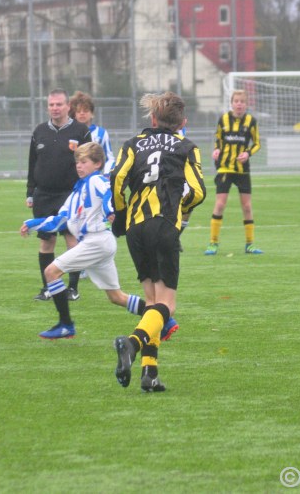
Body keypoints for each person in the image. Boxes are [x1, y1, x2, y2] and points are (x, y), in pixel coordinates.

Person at [110, 91, 206, 392]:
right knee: (168, 305)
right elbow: (199, 191)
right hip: (164, 225)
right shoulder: (186, 146)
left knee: (152, 304)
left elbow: (117, 180)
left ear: (152, 119)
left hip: (137, 229)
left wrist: (123, 215)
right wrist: (183, 210)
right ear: (183, 123)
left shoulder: (132, 144)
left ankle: (149, 373)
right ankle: (132, 343)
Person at [21, 143, 147, 339]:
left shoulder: (96, 180)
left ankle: (66, 324)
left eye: (84, 162)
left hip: (96, 241)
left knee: (51, 272)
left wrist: (110, 210)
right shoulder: (76, 192)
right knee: (116, 297)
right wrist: (32, 223)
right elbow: (59, 220)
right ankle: (163, 318)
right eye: (77, 162)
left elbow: (109, 194)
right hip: (98, 244)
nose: (79, 166)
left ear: (97, 164)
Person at [27, 88, 91, 303]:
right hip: (43, 195)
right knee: (47, 243)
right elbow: (32, 164)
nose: (55, 108)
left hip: (70, 195)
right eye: (51, 105)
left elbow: (89, 164)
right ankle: (48, 288)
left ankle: (72, 288)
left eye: (59, 104)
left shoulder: (81, 131)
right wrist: (30, 193)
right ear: (48, 107)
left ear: (67, 107)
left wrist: (86, 191)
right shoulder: (39, 131)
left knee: (72, 242)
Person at [204, 89, 264, 256]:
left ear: (246, 104)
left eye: (242, 101)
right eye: (236, 101)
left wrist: (248, 153)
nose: (239, 104)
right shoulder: (223, 119)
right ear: (231, 103)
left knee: (246, 206)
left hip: (242, 170)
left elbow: (257, 143)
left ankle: (250, 244)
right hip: (224, 167)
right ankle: (213, 243)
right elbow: (218, 140)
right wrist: (216, 150)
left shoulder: (251, 121)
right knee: (220, 204)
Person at [69, 91, 115, 175]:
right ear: (75, 114)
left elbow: (109, 158)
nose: (82, 113)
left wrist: (107, 174)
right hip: (73, 178)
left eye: (85, 111)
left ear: (92, 114)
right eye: (79, 111)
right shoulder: (70, 132)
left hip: (95, 178)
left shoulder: (101, 133)